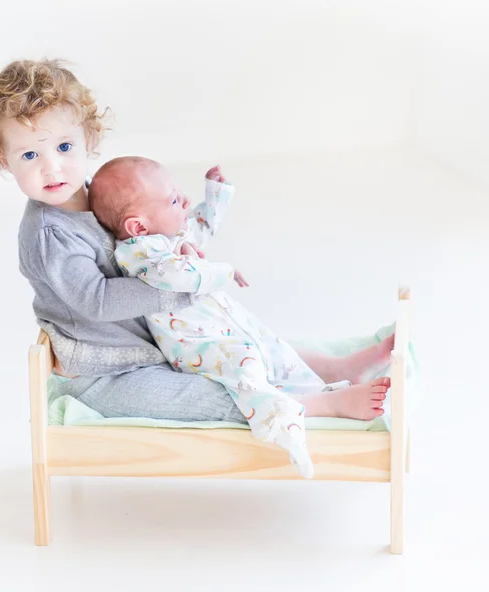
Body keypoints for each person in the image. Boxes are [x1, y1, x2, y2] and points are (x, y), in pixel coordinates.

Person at [0, 58, 393, 468]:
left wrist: (185, 237)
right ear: (4, 161)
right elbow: (94, 300)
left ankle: (336, 367)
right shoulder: (49, 233)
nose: (52, 167)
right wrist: (182, 289)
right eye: (29, 156)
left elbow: (147, 239)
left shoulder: (97, 192)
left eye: (63, 146)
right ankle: (323, 404)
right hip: (110, 371)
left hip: (156, 341)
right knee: (206, 397)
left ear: (87, 141)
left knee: (242, 341)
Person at [88, 156, 391, 477]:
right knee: (246, 367)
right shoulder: (140, 254)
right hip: (196, 343)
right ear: (138, 226)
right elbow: (180, 275)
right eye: (174, 199)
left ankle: (334, 377)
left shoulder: (168, 235)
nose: (184, 202)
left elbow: (198, 229)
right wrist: (223, 271)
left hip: (221, 322)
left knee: (267, 345)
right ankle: (315, 407)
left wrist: (215, 195)